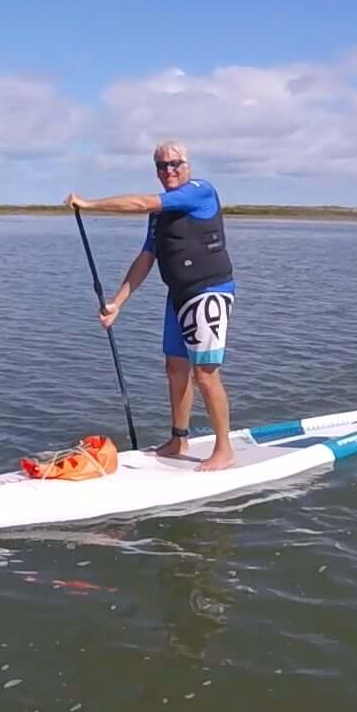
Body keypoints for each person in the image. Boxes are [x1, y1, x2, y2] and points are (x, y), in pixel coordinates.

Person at [65, 140, 236, 471]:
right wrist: (117, 303)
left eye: (175, 164)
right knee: (175, 369)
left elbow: (142, 201)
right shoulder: (159, 217)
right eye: (162, 166)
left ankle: (224, 450)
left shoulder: (200, 191)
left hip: (208, 292)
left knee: (205, 374)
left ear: (188, 165)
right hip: (178, 295)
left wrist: (88, 204)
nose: (169, 170)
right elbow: (146, 259)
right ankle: (178, 439)